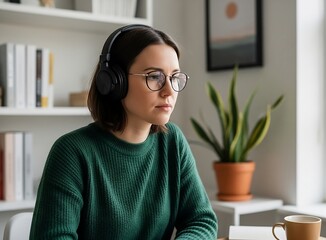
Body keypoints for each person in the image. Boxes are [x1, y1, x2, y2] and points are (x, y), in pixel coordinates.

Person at [30, 24, 218, 239]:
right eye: (154, 76)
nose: (169, 91)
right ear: (114, 82)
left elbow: (201, 220)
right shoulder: (72, 152)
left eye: (174, 77)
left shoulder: (172, 141)